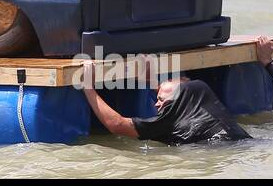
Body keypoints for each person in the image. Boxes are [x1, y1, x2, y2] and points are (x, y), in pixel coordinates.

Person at [80, 61, 251, 145]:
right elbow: (176, 95)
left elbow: (116, 125)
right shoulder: (201, 91)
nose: (155, 105)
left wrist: (88, 87)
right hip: (245, 145)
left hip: (211, 151)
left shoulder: (168, 122)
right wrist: (150, 79)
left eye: (161, 100)